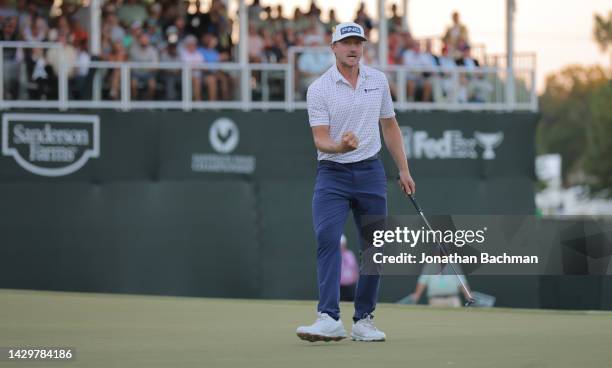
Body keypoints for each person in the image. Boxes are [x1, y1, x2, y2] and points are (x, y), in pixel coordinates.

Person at [296, 22, 416, 343]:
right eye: (346, 42)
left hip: (370, 172)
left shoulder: (377, 80)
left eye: (358, 43)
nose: (353, 48)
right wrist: (340, 147)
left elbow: (389, 127)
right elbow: (320, 139)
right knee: (327, 238)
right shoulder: (319, 89)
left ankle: (364, 320)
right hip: (332, 173)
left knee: (375, 248)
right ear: (333, 48)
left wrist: (403, 169)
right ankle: (328, 318)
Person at [340, 234, 359, 302]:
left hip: (350, 285)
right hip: (339, 286)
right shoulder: (335, 256)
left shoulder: (349, 254)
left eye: (343, 244)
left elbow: (354, 268)